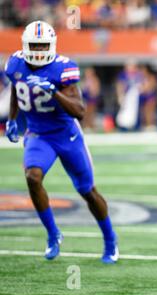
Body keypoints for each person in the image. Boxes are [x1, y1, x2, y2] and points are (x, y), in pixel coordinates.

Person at [4, 21, 118, 264]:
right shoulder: (14, 64)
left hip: (67, 135)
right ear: (25, 45)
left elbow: (79, 110)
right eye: (34, 45)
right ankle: (53, 233)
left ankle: (110, 239)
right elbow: (16, 86)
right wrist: (13, 118)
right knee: (32, 177)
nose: (37, 50)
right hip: (38, 134)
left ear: (52, 45)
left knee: (87, 191)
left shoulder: (62, 68)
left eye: (42, 45)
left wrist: (52, 91)